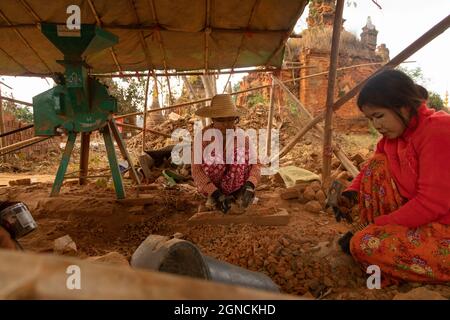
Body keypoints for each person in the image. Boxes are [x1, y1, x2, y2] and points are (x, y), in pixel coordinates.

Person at [334, 69, 450, 285]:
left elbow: (431, 203)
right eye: (371, 119)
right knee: (378, 165)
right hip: (425, 222)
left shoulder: (439, 131)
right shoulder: (394, 137)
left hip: (444, 229)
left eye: (379, 116)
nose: (376, 125)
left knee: (364, 245)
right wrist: (352, 192)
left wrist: (379, 226)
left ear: (404, 107)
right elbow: (371, 168)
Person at [191, 94, 261, 214]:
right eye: (221, 119)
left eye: (230, 119)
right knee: (213, 157)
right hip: (212, 187)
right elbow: (196, 170)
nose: (226, 124)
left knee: (239, 154)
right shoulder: (202, 138)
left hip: (237, 185)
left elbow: (256, 164)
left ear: (236, 118)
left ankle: (238, 194)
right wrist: (215, 193)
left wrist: (250, 184)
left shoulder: (242, 137)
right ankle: (215, 197)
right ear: (213, 119)